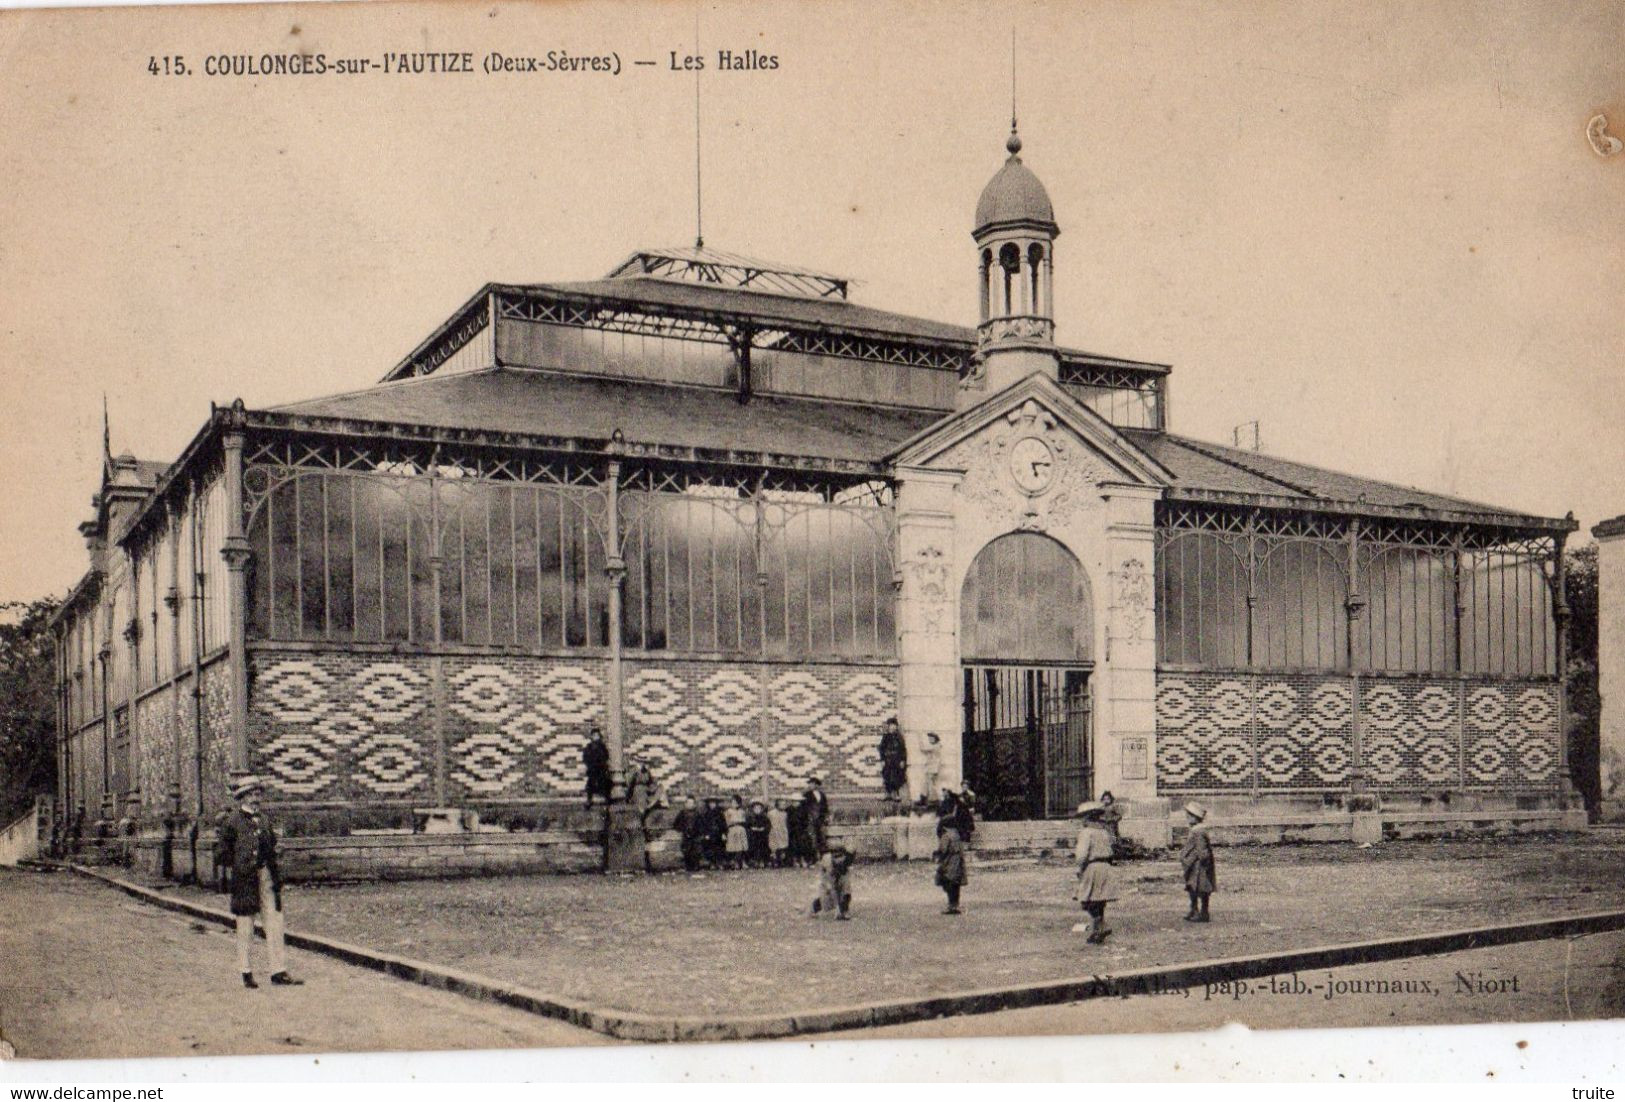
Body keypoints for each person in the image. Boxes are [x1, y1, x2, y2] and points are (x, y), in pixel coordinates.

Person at [218, 776, 302, 989]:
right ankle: (245, 971)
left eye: (258, 795)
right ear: (243, 797)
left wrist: (274, 853)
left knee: (274, 923)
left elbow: (271, 845)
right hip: (245, 881)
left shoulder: (264, 820)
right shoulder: (232, 822)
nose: (257, 799)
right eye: (252, 795)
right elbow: (221, 854)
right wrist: (240, 865)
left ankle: (278, 971)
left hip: (267, 878)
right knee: (245, 926)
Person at [1071, 801, 1120, 944]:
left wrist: (1079, 869)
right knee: (1099, 900)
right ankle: (1097, 929)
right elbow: (1111, 850)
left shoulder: (1086, 833)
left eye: (1083, 817)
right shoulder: (1104, 832)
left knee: (1087, 901)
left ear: (1088, 818)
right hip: (1105, 866)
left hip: (1092, 867)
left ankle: (1101, 927)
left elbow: (1081, 855)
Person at [1180, 801, 1216, 923]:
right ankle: (1194, 909)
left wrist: (1203, 862)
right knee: (1192, 887)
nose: (1187, 817)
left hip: (1199, 865)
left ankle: (1203, 912)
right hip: (1193, 863)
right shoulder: (1196, 829)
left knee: (1201, 888)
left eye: (1190, 815)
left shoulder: (1198, 831)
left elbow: (1202, 849)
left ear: (1196, 818)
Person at [810, 843, 855, 920]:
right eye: (836, 856)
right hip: (828, 881)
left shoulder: (845, 862)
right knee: (827, 899)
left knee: (846, 890)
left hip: (839, 877)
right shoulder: (827, 863)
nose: (839, 859)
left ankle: (844, 910)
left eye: (841, 856)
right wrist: (837, 908)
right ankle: (813, 909)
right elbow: (832, 889)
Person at [935, 819, 968, 914]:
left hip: (949, 862)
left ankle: (951, 906)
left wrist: (937, 856)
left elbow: (943, 850)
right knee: (956, 884)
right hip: (958, 862)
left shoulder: (946, 836)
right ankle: (955, 904)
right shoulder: (956, 834)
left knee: (947, 882)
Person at [879, 717, 908, 802]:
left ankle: (896, 794)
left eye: (894, 726)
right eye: (891, 726)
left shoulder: (899, 737)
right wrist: (882, 760)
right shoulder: (885, 737)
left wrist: (903, 760)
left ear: (896, 727)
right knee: (887, 776)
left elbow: (903, 749)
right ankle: (888, 794)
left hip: (897, 760)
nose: (892, 727)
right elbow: (881, 749)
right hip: (888, 760)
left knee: (896, 777)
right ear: (888, 727)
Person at [582, 726, 611, 809]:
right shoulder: (589, 747)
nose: (596, 737)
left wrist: (603, 764)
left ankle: (607, 799)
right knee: (590, 785)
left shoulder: (602, 747)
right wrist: (590, 764)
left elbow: (606, 756)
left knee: (605, 783)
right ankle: (589, 800)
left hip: (601, 769)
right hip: (592, 769)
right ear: (592, 737)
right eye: (594, 735)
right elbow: (585, 758)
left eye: (597, 735)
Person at [800, 777, 830, 857]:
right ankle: (813, 857)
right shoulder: (806, 795)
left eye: (812, 784)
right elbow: (803, 808)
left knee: (822, 838)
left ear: (817, 785)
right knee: (812, 838)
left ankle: (823, 856)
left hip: (820, 820)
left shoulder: (822, 795)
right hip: (810, 820)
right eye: (809, 784)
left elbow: (825, 807)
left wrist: (826, 817)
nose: (810, 785)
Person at [673, 796, 704, 872]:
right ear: (685, 804)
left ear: (694, 804)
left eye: (692, 803)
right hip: (686, 835)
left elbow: (701, 825)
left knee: (696, 850)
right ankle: (688, 866)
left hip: (695, 835)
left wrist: (697, 831)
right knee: (686, 850)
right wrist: (683, 829)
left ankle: (696, 865)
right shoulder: (682, 813)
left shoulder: (697, 814)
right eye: (688, 803)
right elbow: (676, 824)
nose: (690, 804)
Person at [699, 796, 727, 868]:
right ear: (708, 804)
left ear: (716, 804)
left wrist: (724, 833)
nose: (712, 805)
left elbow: (723, 824)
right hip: (710, 834)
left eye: (714, 803)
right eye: (710, 803)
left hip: (718, 833)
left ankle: (719, 863)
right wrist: (706, 834)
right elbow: (704, 825)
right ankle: (712, 863)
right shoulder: (706, 814)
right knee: (710, 848)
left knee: (719, 848)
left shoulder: (720, 813)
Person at [724, 794, 748, 870]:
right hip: (732, 830)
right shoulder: (728, 811)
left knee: (740, 847)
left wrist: (740, 822)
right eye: (733, 802)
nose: (735, 804)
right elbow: (727, 822)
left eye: (737, 803)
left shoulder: (742, 811)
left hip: (740, 830)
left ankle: (741, 862)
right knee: (733, 846)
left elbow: (744, 821)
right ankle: (734, 862)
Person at [745, 799, 772, 868]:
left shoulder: (764, 817)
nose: (757, 810)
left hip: (762, 836)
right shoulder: (750, 818)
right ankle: (755, 861)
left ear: (761, 809)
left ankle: (763, 861)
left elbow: (768, 825)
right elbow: (747, 826)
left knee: (763, 847)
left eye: (759, 808)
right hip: (753, 836)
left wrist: (764, 829)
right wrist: (752, 829)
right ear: (753, 809)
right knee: (754, 848)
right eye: (755, 808)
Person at [918, 733, 943, 805]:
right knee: (927, 783)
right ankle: (924, 798)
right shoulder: (935, 746)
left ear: (935, 739)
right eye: (929, 738)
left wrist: (919, 739)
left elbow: (923, 749)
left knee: (930, 784)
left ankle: (934, 800)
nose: (930, 740)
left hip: (933, 769)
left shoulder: (936, 746)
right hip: (930, 768)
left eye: (931, 738)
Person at [767, 798, 791, 867]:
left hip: (783, 831)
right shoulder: (771, 813)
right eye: (781, 804)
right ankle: (774, 861)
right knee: (774, 846)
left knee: (782, 846)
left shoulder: (785, 814)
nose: (783, 806)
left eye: (784, 804)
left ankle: (781, 861)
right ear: (777, 804)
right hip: (774, 831)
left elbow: (786, 822)